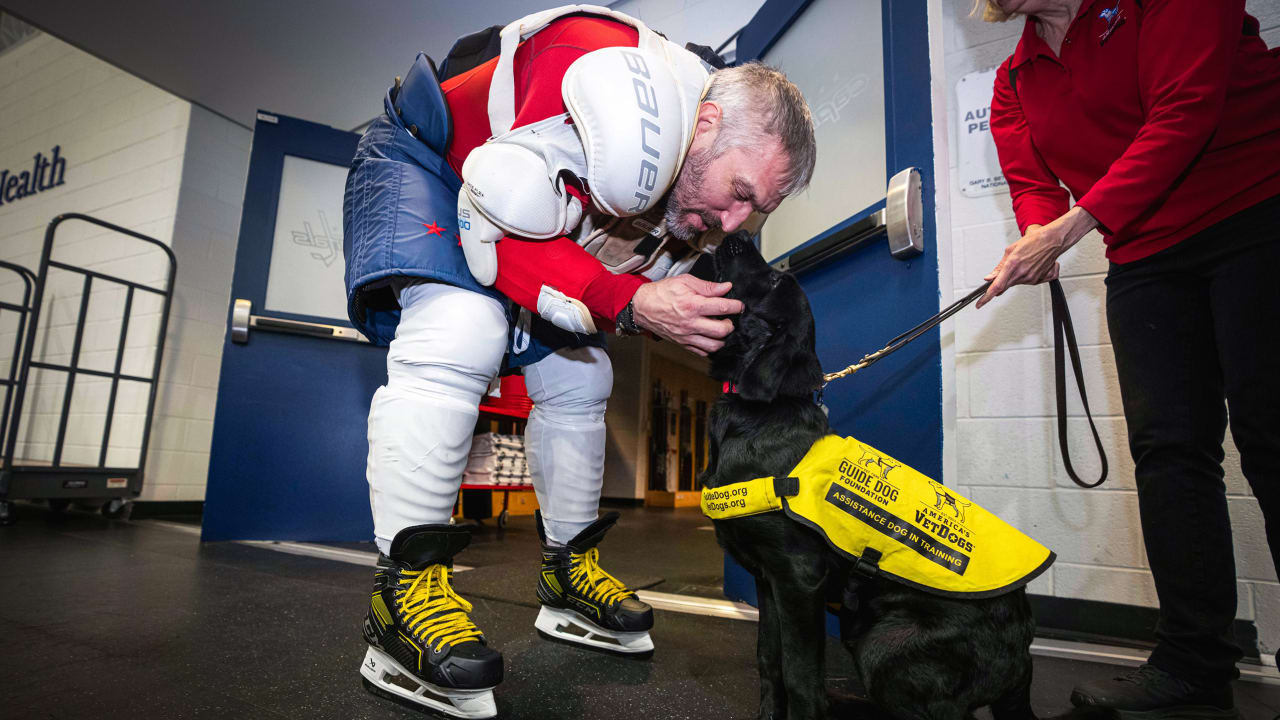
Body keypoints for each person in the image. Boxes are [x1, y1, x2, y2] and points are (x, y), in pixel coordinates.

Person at [342, 6, 816, 718]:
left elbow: (578, 260)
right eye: (740, 193)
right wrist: (634, 303)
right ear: (707, 123)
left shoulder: (695, 184)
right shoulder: (610, 77)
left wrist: (655, 307)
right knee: (460, 326)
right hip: (431, 164)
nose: (732, 224)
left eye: (754, 212)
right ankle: (401, 599)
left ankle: (567, 572)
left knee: (582, 373)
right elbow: (498, 221)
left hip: (510, 213)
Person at [974, 0, 1280, 716]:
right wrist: (1035, 236)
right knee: (1168, 452)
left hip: (1257, 213)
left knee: (1273, 436)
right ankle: (1194, 661)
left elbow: (1185, 111)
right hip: (1144, 250)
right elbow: (1033, 185)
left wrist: (1072, 228)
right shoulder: (1014, 80)